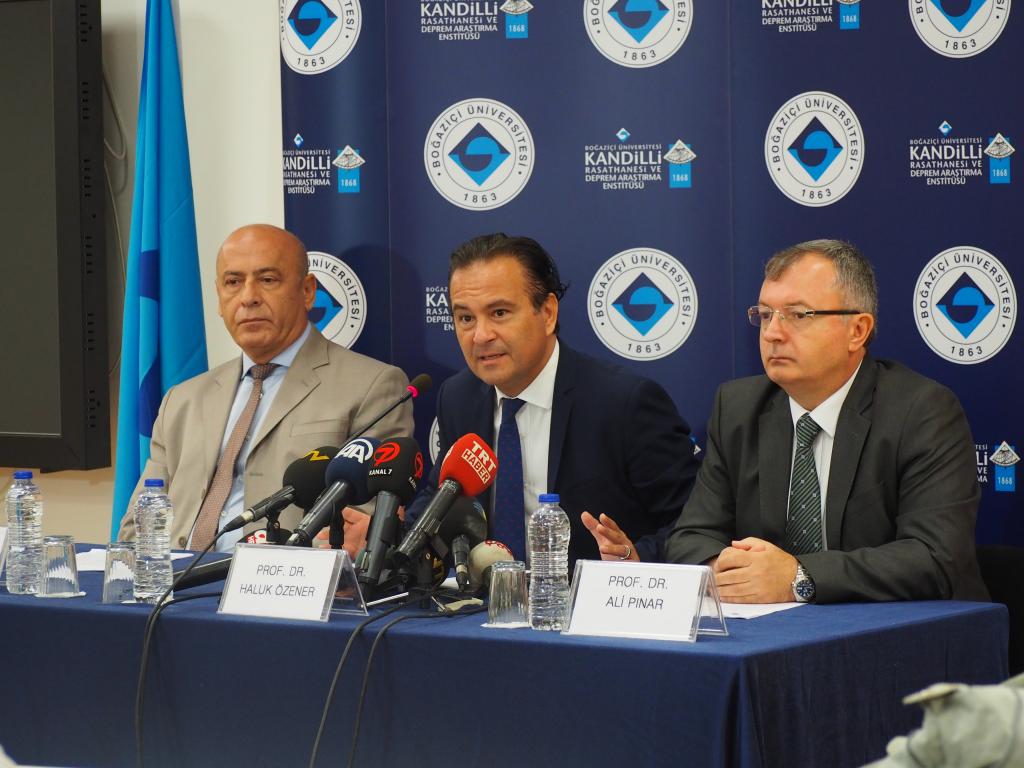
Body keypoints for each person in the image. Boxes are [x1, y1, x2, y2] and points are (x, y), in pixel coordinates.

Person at [664, 239, 988, 603]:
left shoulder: (921, 411)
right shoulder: (738, 408)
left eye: (798, 315)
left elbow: (934, 557)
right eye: (766, 315)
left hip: (908, 630)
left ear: (857, 331)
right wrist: (733, 572)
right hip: (772, 631)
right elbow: (690, 538)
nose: (772, 333)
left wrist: (797, 577)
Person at [117, 224, 413, 556]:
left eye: (268, 280)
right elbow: (136, 527)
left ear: (307, 291)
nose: (248, 297)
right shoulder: (181, 400)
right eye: (233, 282)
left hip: (283, 581)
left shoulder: (372, 387)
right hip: (175, 581)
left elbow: (363, 527)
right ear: (219, 297)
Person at [407, 233, 700, 565]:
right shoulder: (458, 397)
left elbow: (695, 524)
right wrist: (389, 541)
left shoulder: (624, 403)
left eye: (499, 312)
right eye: (465, 318)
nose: (480, 335)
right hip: (485, 595)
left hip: (592, 594)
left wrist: (635, 558)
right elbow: (442, 496)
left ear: (547, 313)